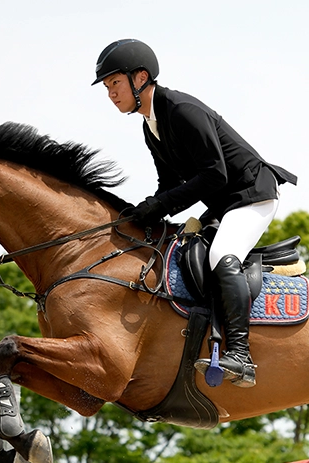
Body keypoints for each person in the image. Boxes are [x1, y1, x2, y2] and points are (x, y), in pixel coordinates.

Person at [94, 39, 296, 388]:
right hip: (223, 203)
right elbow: (169, 184)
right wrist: (142, 212)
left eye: (115, 83)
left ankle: (241, 356)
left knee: (222, 254)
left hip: (251, 194)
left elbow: (214, 174)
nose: (110, 94)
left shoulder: (182, 110)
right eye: (107, 87)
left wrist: (162, 205)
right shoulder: (151, 126)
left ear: (140, 77)